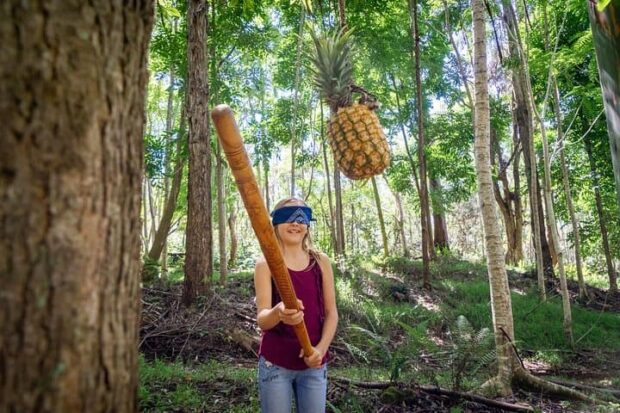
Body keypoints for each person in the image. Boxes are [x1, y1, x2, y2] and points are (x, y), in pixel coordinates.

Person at [254, 197, 338, 413]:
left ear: (308, 224)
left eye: (301, 217)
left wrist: (320, 350)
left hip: (313, 364)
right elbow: (262, 320)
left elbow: (331, 313)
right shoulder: (265, 264)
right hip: (276, 363)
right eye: (288, 217)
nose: (295, 223)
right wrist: (278, 312)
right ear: (275, 223)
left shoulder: (320, 261)